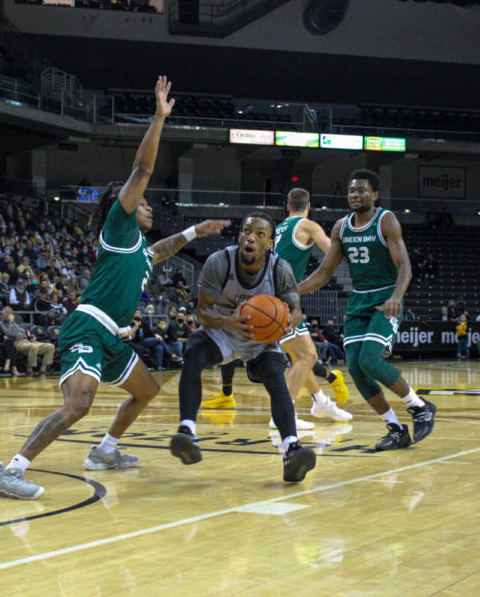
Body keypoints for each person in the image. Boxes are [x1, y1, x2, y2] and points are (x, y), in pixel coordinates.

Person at [0, 76, 231, 500]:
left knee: (147, 390)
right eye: (143, 202)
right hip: (87, 328)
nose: (148, 205)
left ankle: (105, 451)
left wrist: (196, 230)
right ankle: (11, 470)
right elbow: (143, 168)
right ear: (125, 206)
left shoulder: (138, 249)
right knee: (78, 404)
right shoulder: (118, 227)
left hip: (113, 337)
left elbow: (161, 250)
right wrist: (159, 117)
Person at [169, 213, 317, 483]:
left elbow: (296, 311)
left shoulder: (279, 268)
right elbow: (202, 312)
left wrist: (287, 322)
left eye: (260, 234)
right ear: (239, 236)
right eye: (246, 231)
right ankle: (187, 431)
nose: (251, 237)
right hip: (222, 330)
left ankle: (292, 449)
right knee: (193, 351)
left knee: (276, 376)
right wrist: (228, 321)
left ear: (269, 244)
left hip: (259, 340)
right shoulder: (219, 262)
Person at [299, 168, 436, 451]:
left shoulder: (386, 220)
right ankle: (395, 429)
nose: (355, 195)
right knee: (357, 369)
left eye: (361, 190)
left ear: (374, 194)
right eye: (351, 191)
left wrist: (398, 295)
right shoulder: (340, 227)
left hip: (385, 298)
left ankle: (419, 406)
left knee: (370, 361)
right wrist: (292, 290)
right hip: (358, 301)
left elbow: (405, 267)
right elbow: (325, 272)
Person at [202, 188, 351, 426]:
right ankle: (284, 414)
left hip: (263, 297)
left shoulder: (278, 229)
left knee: (302, 356)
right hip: (275, 303)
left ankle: (321, 403)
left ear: (288, 207)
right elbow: (332, 250)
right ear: (308, 207)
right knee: (307, 355)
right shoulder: (307, 226)